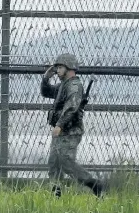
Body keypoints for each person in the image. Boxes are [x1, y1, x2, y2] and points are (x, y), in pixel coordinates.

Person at [41, 53, 102, 197]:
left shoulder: (74, 86)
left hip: (70, 131)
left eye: (60, 67)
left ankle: (94, 185)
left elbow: (72, 107)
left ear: (69, 68)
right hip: (61, 131)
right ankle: (56, 195)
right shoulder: (63, 85)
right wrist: (45, 78)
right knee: (54, 163)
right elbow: (46, 92)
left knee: (66, 162)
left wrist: (59, 125)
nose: (57, 70)